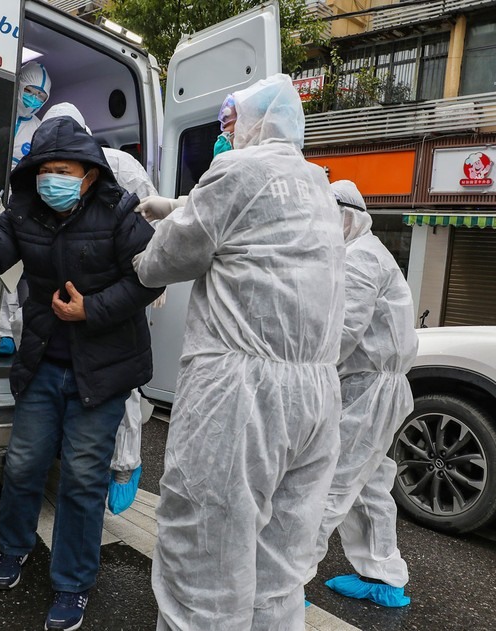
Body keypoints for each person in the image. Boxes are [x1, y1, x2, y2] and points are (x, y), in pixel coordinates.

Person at [0, 115, 162, 631]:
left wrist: (90, 310)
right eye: (44, 169)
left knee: (81, 478)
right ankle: (13, 547)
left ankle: (72, 584)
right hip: (44, 362)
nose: (52, 178)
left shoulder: (119, 211)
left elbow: (149, 278)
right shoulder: (25, 209)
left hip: (104, 372)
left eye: (64, 169)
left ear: (89, 173)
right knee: (24, 464)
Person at [133, 74, 345, 630]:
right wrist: (177, 204)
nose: (225, 136)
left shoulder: (235, 170)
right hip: (316, 397)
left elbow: (167, 260)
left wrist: (143, 250)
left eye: (230, 124)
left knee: (204, 559)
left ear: (255, 123)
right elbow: (251, 219)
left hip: (240, 395)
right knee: (279, 572)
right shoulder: (318, 184)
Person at [304, 179, 418, 608]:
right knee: (367, 483)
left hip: (367, 389)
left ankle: (284, 583)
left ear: (348, 217)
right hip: (368, 386)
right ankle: (383, 574)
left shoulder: (361, 260)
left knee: (328, 483)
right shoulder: (359, 254)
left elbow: (342, 333)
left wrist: (303, 374)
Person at [43, 101, 157, 514]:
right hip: (69, 290)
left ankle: (125, 465)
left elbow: (151, 222)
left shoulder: (120, 166)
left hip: (118, 288)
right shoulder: (46, 170)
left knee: (116, 381)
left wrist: (149, 275)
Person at [0, 61, 54, 357]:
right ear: (19, 85)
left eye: (41, 97)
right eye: (30, 91)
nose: (34, 99)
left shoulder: (39, 130)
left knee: (9, 270)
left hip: (17, 207)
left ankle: (5, 334)